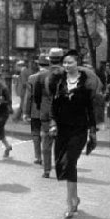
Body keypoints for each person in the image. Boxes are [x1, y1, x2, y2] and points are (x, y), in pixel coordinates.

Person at [48, 49, 98, 219]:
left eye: (70, 62)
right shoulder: (59, 83)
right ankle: (75, 198)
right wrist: (53, 123)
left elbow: (90, 109)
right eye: (65, 63)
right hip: (62, 129)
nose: (67, 65)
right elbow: (53, 107)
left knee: (69, 161)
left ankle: (69, 203)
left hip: (79, 129)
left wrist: (93, 131)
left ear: (78, 64)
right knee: (65, 165)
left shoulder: (85, 84)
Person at [31, 47, 65, 178]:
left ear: (49, 60)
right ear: (62, 59)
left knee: (46, 141)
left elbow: (36, 96)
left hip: (46, 112)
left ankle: (46, 170)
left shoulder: (41, 76)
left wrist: (42, 107)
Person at [22, 54, 49, 165]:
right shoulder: (53, 77)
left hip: (35, 110)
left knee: (35, 134)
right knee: (47, 135)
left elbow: (28, 97)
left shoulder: (32, 78)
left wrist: (25, 112)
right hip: (48, 111)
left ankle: (37, 157)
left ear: (38, 65)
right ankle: (48, 157)